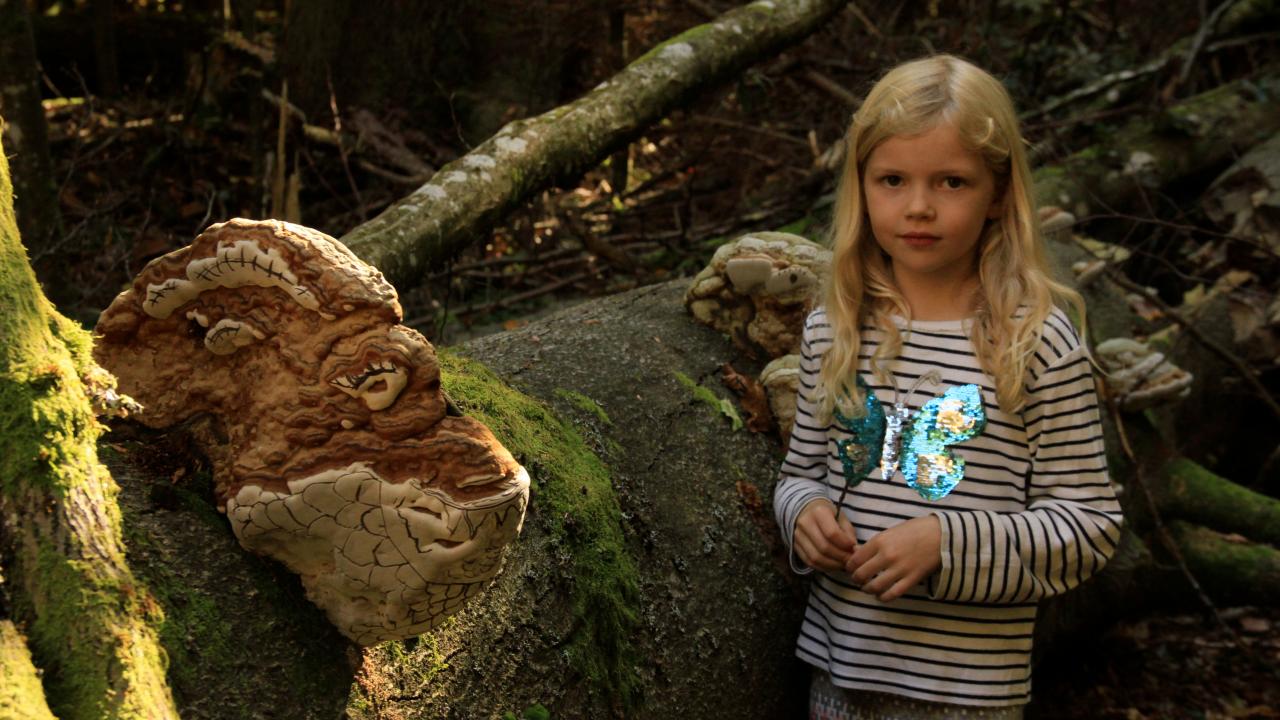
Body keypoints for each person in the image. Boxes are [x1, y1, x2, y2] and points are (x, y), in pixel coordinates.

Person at [772, 54, 1123, 720]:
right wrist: (805, 518)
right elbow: (800, 477)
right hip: (837, 674)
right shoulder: (837, 328)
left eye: (953, 182)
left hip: (966, 694)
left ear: (998, 195)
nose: (919, 207)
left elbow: (1090, 526)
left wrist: (946, 543)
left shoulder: (1036, 344)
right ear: (862, 186)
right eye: (893, 179)